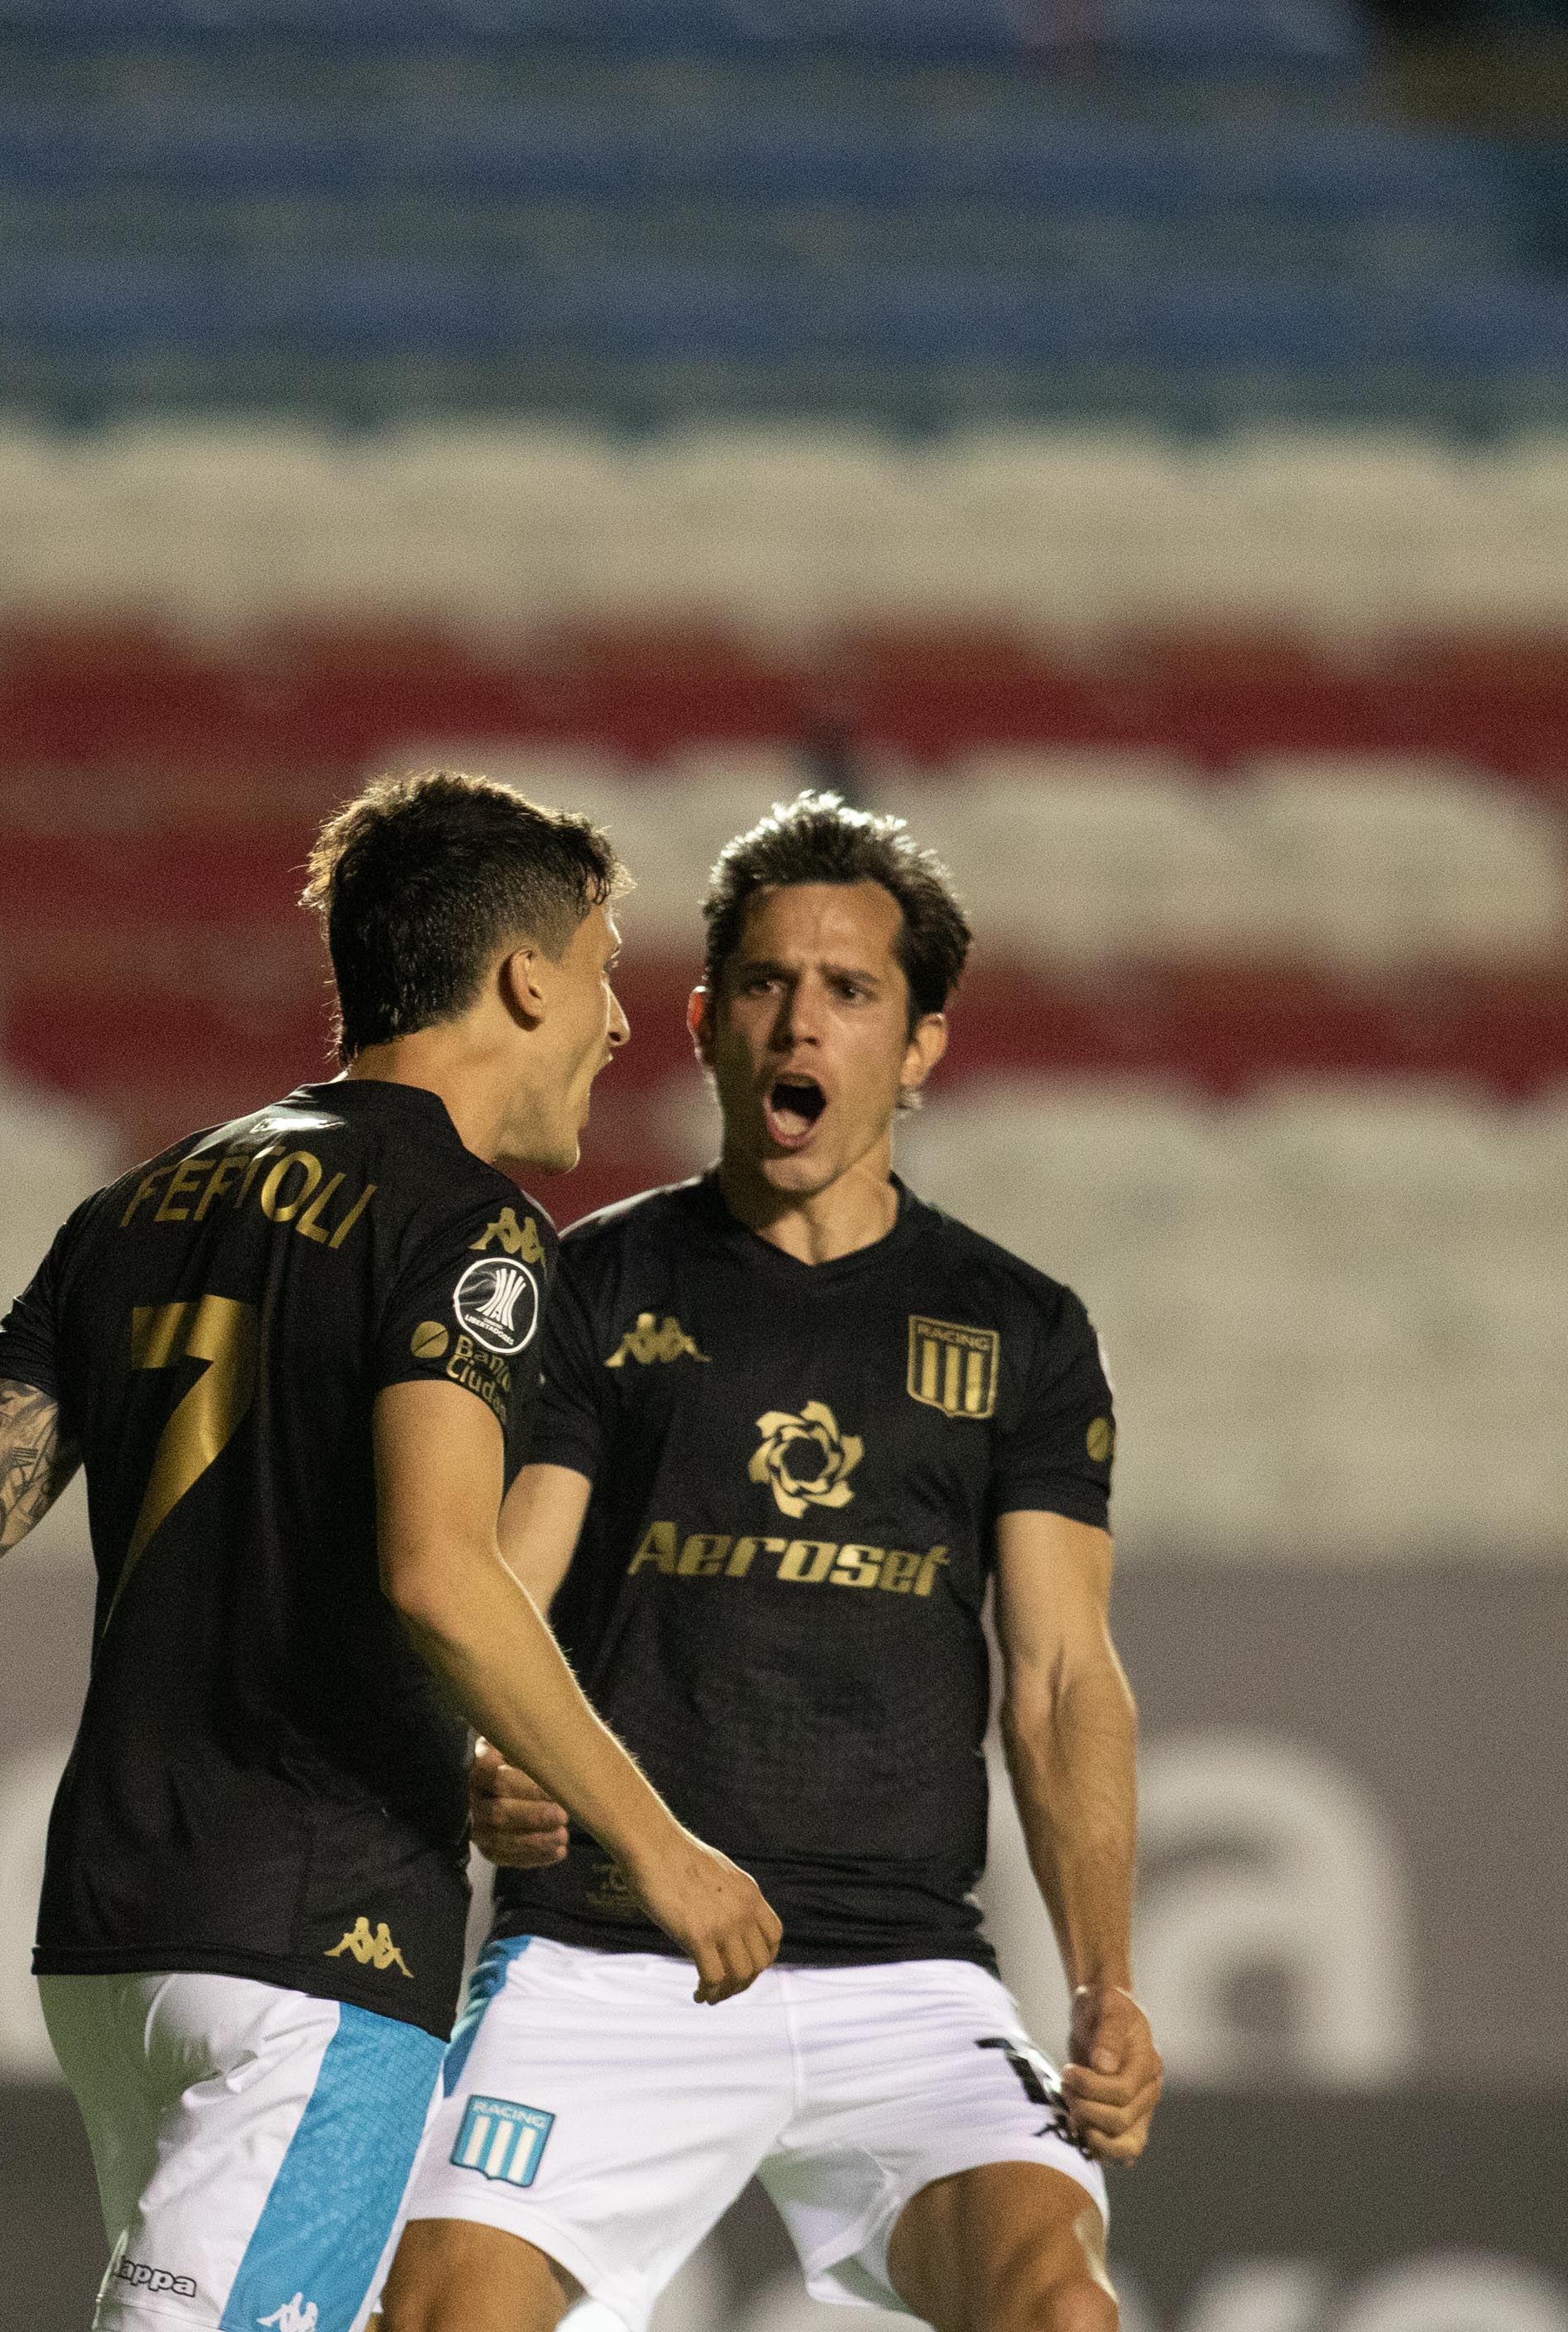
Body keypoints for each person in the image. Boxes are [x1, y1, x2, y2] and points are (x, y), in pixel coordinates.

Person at [0, 770, 783, 2332]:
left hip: (116, 1939)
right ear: (524, 978)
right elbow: (441, 1570)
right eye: (603, 970)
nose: (623, 1029)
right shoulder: (474, 1233)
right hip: (318, 1941)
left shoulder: (134, 1208)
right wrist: (664, 1849)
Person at [376, 791, 1161, 2332]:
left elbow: (1064, 1680)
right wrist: (483, 1751)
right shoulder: (588, 1282)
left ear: (923, 1044)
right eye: (764, 984)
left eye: (852, 991)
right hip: (610, 1952)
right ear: (705, 1022)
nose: (801, 1021)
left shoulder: (1021, 1327)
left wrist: (1104, 1984)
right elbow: (500, 1586)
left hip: (905, 1976)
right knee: (440, 2322)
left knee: (1062, 2312)